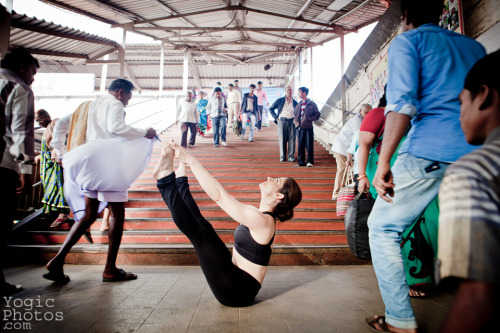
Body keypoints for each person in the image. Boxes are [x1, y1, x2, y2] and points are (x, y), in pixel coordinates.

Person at [366, 0, 486, 331]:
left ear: (406, 16)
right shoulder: (473, 46)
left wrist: (385, 160)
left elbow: (403, 103)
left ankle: (400, 320)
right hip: (481, 151)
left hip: (430, 150)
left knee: (383, 228)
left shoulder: (409, 42)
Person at [153, 141, 302, 307]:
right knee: (204, 229)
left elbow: (219, 196)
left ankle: (165, 180)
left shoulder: (263, 222)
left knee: (202, 235)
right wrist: (187, 161)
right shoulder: (260, 216)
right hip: (234, 278)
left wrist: (191, 159)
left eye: (276, 180)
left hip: (238, 292)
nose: (269, 178)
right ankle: (180, 179)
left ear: (279, 196)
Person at [44, 79, 157, 284]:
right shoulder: (114, 104)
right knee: (117, 214)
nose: (127, 103)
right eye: (128, 98)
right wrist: (145, 132)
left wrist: (60, 151)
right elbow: (116, 128)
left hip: (90, 166)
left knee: (88, 215)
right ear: (120, 93)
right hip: (109, 165)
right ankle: (110, 269)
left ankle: (57, 261)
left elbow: (59, 125)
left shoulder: (87, 106)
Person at [437, 50, 500, 333]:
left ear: (484, 95)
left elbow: (478, 298)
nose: (458, 114)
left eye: (461, 101)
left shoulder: (473, 171)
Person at [0, 47, 38, 297]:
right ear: (23, 67)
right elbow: (20, 131)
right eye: (33, 72)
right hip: (2, 165)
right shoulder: (20, 88)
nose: (33, 78)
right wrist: (25, 167)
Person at [34, 109, 70, 227]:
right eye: (37, 121)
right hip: (48, 165)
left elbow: (61, 133)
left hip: (56, 164)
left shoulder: (54, 122)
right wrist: (40, 156)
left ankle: (63, 214)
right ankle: (53, 213)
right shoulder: (46, 130)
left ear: (47, 116)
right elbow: (46, 148)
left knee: (59, 186)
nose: (39, 123)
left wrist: (56, 148)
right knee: (50, 188)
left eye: (40, 119)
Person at [331, 104, 371, 199]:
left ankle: (347, 193)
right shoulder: (356, 121)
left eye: (369, 113)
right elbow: (361, 136)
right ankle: (336, 194)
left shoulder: (363, 120)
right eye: (366, 113)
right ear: (360, 111)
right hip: (341, 148)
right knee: (342, 170)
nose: (367, 115)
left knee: (351, 172)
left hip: (348, 150)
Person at [293, 87, 321, 167]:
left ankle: (309, 162)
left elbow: (317, 114)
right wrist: (295, 122)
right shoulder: (298, 105)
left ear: (304, 93)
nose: (298, 94)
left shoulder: (312, 104)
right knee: (300, 144)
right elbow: (295, 115)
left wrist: (309, 119)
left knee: (309, 145)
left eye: (299, 92)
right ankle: (301, 162)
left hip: (308, 127)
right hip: (299, 127)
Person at [269, 85, 298, 162]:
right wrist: (276, 118)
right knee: (282, 139)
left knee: (292, 139)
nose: (289, 91)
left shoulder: (295, 102)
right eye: (288, 90)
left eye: (291, 90)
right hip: (282, 121)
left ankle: (291, 156)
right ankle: (282, 156)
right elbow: (271, 109)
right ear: (285, 91)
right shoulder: (280, 100)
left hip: (292, 122)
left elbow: (298, 113)